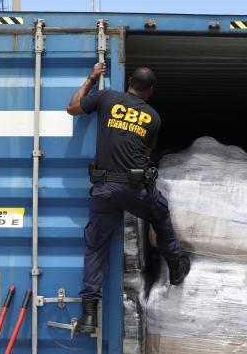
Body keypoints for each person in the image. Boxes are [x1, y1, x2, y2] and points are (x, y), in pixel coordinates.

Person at [66, 62, 190, 333]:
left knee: (96, 248)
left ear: (129, 82)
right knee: (160, 212)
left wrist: (92, 78)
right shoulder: (153, 117)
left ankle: (88, 314)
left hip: (104, 190)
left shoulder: (106, 96)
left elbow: (72, 107)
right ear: (150, 91)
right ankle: (175, 264)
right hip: (134, 190)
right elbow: (145, 154)